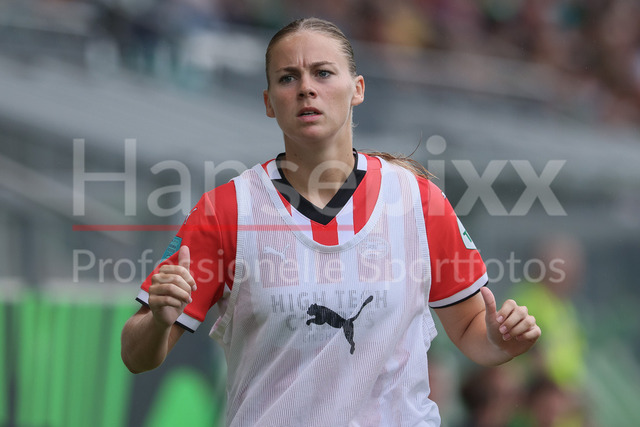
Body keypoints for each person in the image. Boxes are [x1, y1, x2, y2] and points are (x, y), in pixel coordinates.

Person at [121, 17, 541, 426]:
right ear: (268, 102)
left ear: (357, 89)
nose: (306, 88)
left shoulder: (418, 200)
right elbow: (135, 355)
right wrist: (158, 320)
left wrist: (500, 339)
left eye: (322, 73)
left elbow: (471, 330)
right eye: (288, 78)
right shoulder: (227, 210)